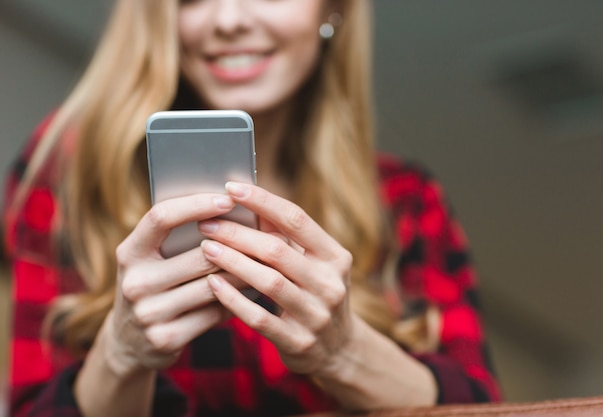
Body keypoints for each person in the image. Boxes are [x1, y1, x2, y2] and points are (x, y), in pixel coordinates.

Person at [3, 0, 501, 416]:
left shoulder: (405, 200)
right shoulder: (71, 171)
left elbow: (487, 407)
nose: (228, 19)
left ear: (333, 9)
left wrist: (343, 351)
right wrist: (122, 354)